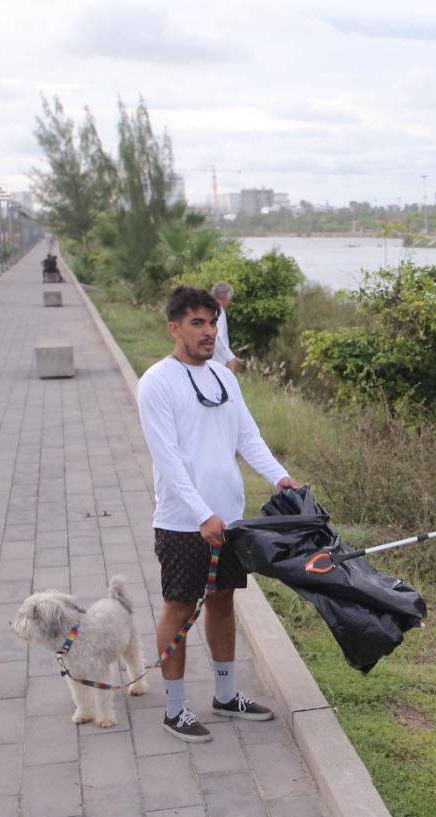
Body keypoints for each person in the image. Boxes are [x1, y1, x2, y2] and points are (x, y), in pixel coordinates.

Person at [137, 285, 301, 741]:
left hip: (229, 519)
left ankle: (226, 695)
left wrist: (281, 478)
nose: (209, 332)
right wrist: (201, 513)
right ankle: (175, 708)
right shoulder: (156, 382)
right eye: (197, 323)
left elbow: (248, 437)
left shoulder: (226, 379)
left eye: (212, 322)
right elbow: (167, 459)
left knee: (225, 600)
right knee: (179, 606)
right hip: (183, 521)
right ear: (175, 328)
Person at [210, 281, 242, 372]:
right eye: (229, 298)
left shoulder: (210, 309)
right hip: (217, 364)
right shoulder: (219, 312)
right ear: (224, 298)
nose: (229, 301)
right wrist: (231, 357)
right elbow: (219, 336)